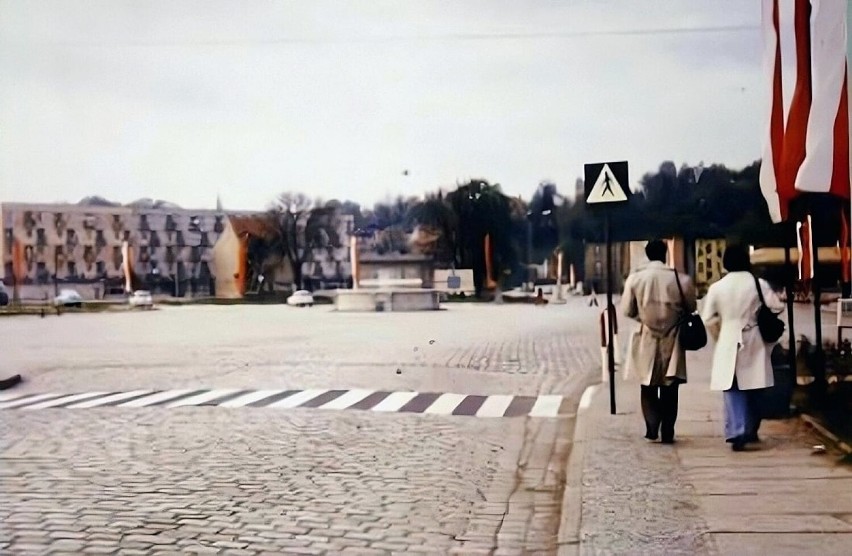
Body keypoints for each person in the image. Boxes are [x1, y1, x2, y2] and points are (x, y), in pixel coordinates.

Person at [701, 244, 784, 451]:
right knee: (754, 384)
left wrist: (720, 333)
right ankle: (750, 427)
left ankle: (737, 429)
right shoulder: (758, 283)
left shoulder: (717, 287)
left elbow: (708, 317)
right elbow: (777, 306)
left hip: (729, 336)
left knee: (732, 385)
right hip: (753, 336)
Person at [621, 240, 696, 444]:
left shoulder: (635, 278)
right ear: (665, 254)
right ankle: (668, 429)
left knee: (648, 383)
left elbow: (627, 310)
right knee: (671, 385)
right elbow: (691, 306)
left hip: (646, 335)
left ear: (647, 254)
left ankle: (652, 425)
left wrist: (644, 317)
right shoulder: (681, 280)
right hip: (674, 336)